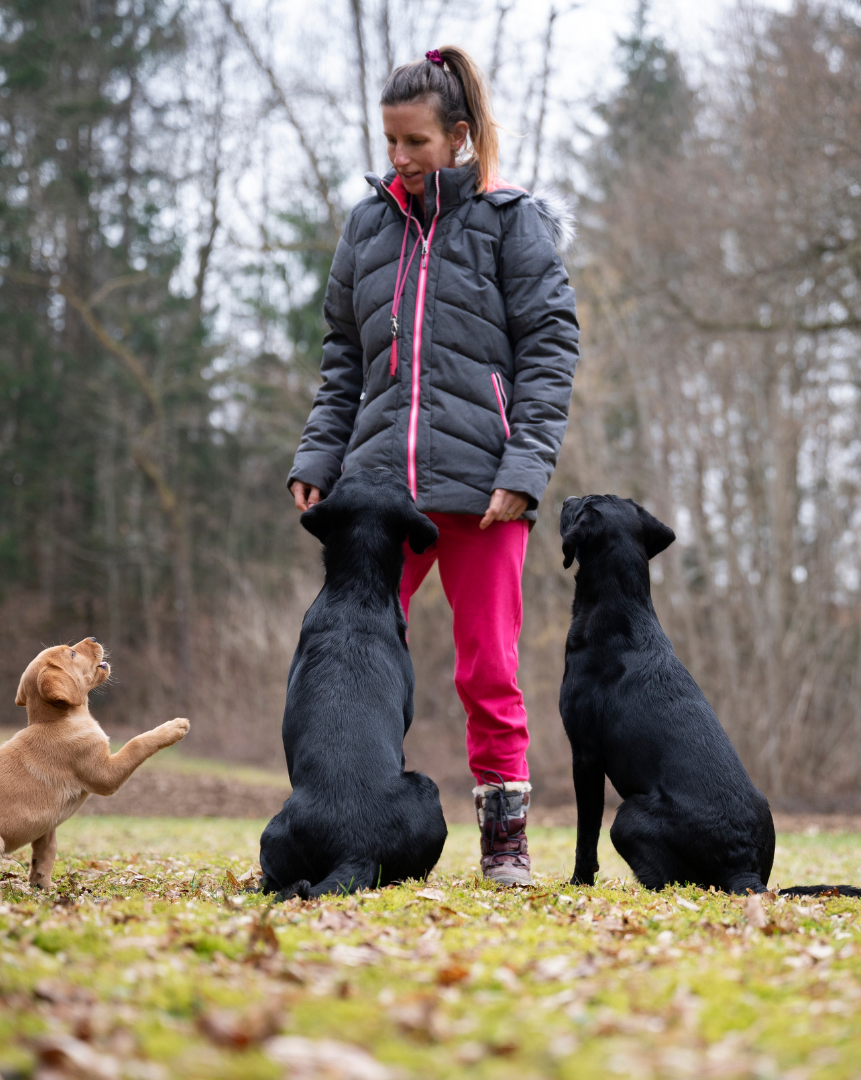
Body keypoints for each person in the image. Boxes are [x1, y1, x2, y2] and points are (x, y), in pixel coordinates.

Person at [287, 45, 579, 885]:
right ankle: (342, 821)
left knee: (487, 668)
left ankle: (505, 844)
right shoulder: (367, 226)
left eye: (415, 142)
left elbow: (550, 351)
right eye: (389, 143)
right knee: (348, 663)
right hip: (376, 493)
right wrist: (321, 454)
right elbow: (345, 354)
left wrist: (523, 470)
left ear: (458, 135)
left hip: (485, 491)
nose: (400, 160)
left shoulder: (509, 221)